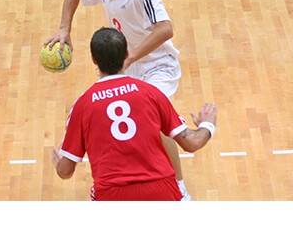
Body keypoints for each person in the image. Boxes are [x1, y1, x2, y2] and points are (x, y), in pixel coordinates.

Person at [44, 0, 194, 199]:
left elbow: (166, 29)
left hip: (156, 64)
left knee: (159, 123)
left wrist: (131, 57)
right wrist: (64, 28)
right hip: (129, 65)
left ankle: (180, 189)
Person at [52, 27, 217, 200]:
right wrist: (207, 125)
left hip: (112, 195)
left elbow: (65, 171)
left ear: (94, 60)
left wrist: (59, 164)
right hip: (162, 191)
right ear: (126, 55)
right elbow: (192, 143)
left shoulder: (83, 104)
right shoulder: (152, 94)